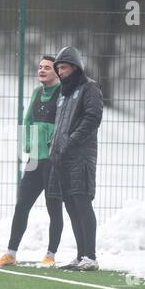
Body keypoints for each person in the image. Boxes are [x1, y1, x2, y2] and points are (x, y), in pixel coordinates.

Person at [0, 56, 63, 268]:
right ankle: (10, 253)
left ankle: (50, 256)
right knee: (21, 205)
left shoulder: (63, 93)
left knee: (54, 208)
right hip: (35, 160)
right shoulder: (36, 93)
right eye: (40, 67)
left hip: (54, 161)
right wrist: (27, 144)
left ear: (57, 73)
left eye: (47, 68)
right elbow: (27, 121)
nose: (42, 70)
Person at [49, 46, 103, 271]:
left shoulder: (89, 88)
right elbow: (59, 126)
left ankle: (90, 257)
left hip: (80, 157)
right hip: (62, 159)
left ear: (75, 67)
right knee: (71, 206)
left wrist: (71, 142)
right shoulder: (64, 93)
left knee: (82, 204)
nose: (60, 72)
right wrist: (54, 145)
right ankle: (81, 256)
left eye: (64, 67)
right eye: (58, 68)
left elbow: (93, 117)